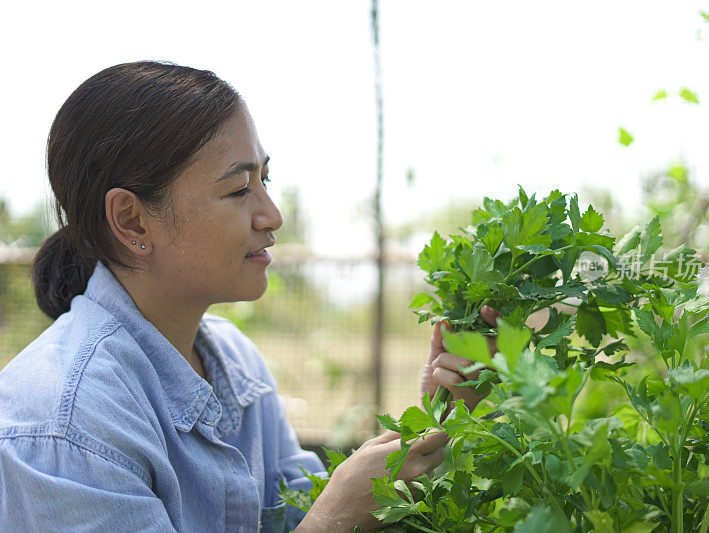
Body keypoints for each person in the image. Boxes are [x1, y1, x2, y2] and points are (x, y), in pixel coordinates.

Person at [0, 60, 497, 532]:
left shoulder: (234, 365)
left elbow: (293, 516)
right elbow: (319, 521)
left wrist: (445, 417)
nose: (272, 215)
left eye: (265, 179)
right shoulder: (65, 425)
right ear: (132, 219)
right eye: (239, 189)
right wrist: (331, 522)